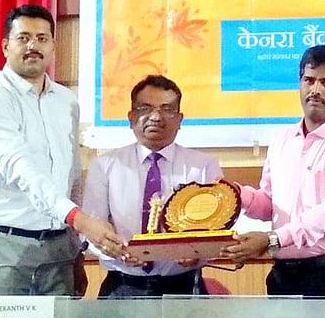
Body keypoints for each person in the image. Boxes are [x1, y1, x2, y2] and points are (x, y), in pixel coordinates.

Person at [0, 4, 125, 296]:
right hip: (1, 248)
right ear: (5, 46)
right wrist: (81, 220)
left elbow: (71, 175)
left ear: (52, 46)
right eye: (23, 38)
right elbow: (21, 167)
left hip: (58, 248)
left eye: (42, 38)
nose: (32, 46)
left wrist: (75, 244)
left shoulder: (66, 101)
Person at [221, 45, 325, 297]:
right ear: (300, 83)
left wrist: (272, 240)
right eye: (309, 80)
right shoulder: (283, 140)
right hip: (282, 276)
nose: (315, 90)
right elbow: (270, 205)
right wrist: (231, 195)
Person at [82, 75, 223, 297]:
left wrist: (197, 252)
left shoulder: (204, 167)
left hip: (184, 286)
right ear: (131, 117)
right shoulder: (105, 166)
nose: (156, 117)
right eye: (145, 109)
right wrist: (116, 251)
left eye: (167, 109)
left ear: (180, 119)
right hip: (122, 286)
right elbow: (90, 231)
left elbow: (216, 231)